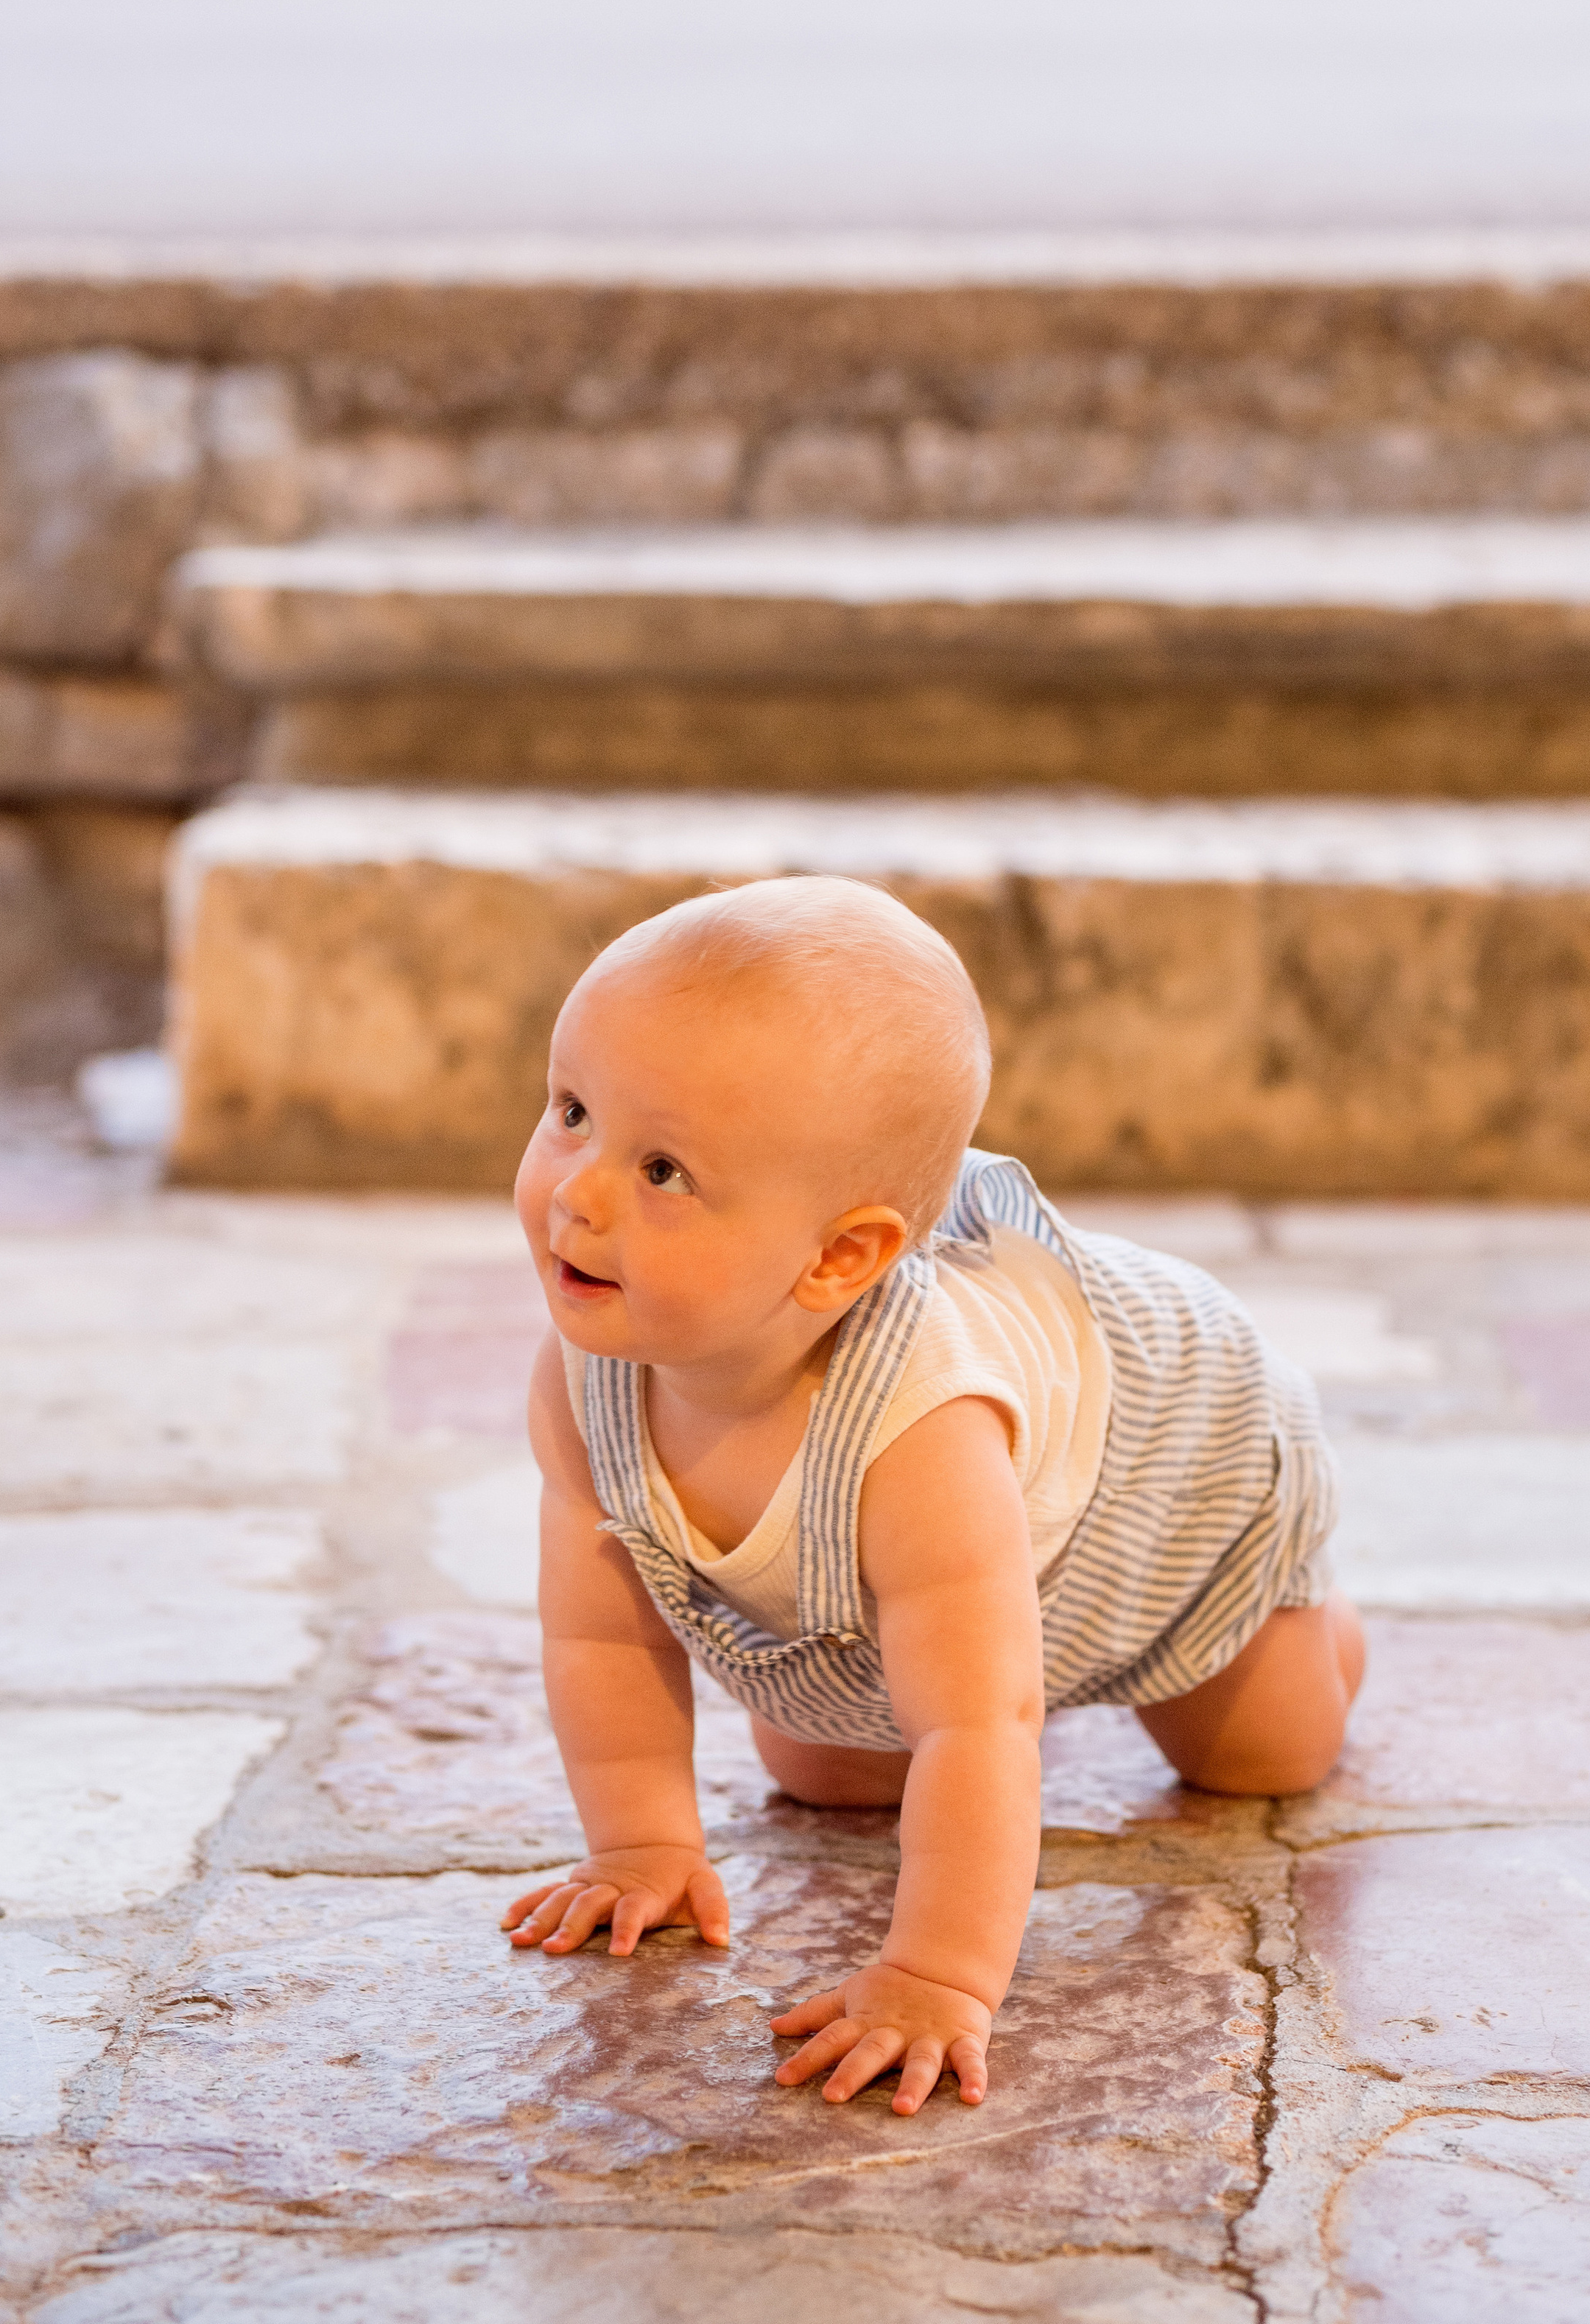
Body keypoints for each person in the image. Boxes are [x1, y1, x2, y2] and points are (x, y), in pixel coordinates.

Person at [501, 876, 1362, 2117]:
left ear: (841, 1256)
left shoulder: (921, 1431)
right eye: (572, 1110)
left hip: (1172, 1464)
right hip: (888, 1586)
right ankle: (944, 1635)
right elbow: (600, 1625)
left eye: (664, 1172)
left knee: (1267, 1755)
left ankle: (1318, 1625)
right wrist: (643, 1844)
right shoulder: (584, 1374)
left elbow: (980, 1726)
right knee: (831, 1771)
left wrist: (936, 1976)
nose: (577, 1192)